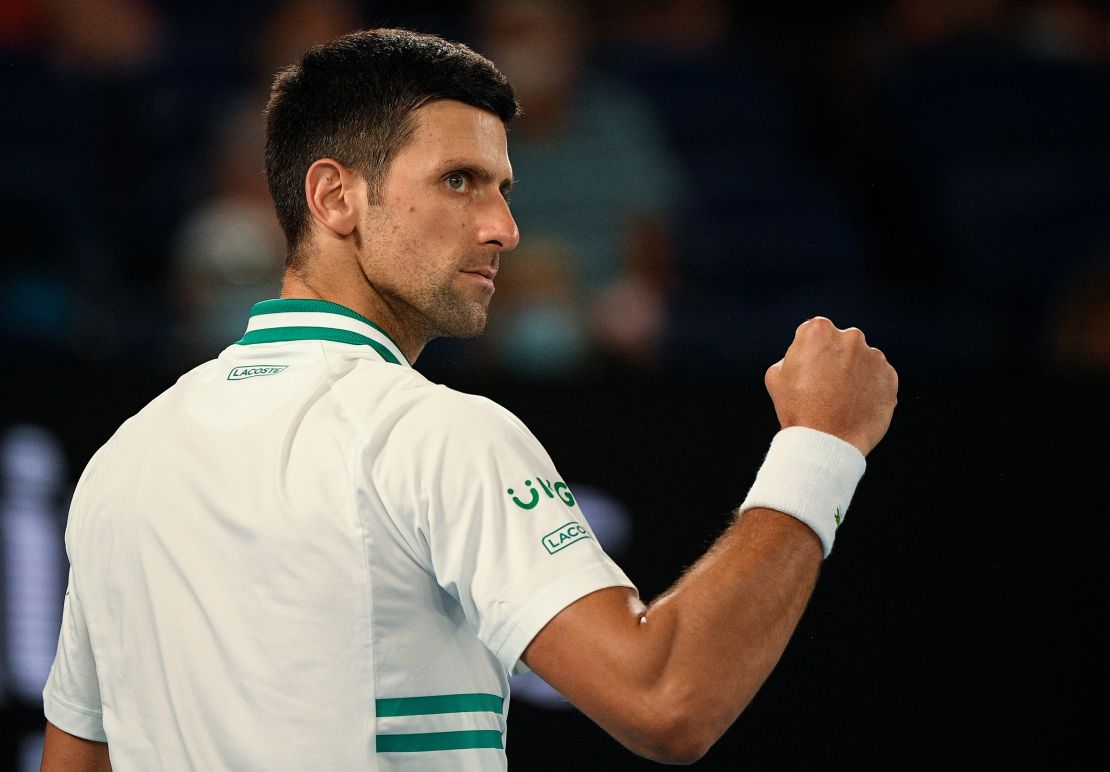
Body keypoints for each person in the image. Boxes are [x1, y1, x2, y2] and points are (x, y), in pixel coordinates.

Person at [39, 28, 898, 771]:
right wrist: (819, 446)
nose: (503, 227)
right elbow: (666, 698)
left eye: (503, 188)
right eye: (459, 181)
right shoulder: (435, 435)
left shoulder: (126, 459)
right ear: (334, 196)